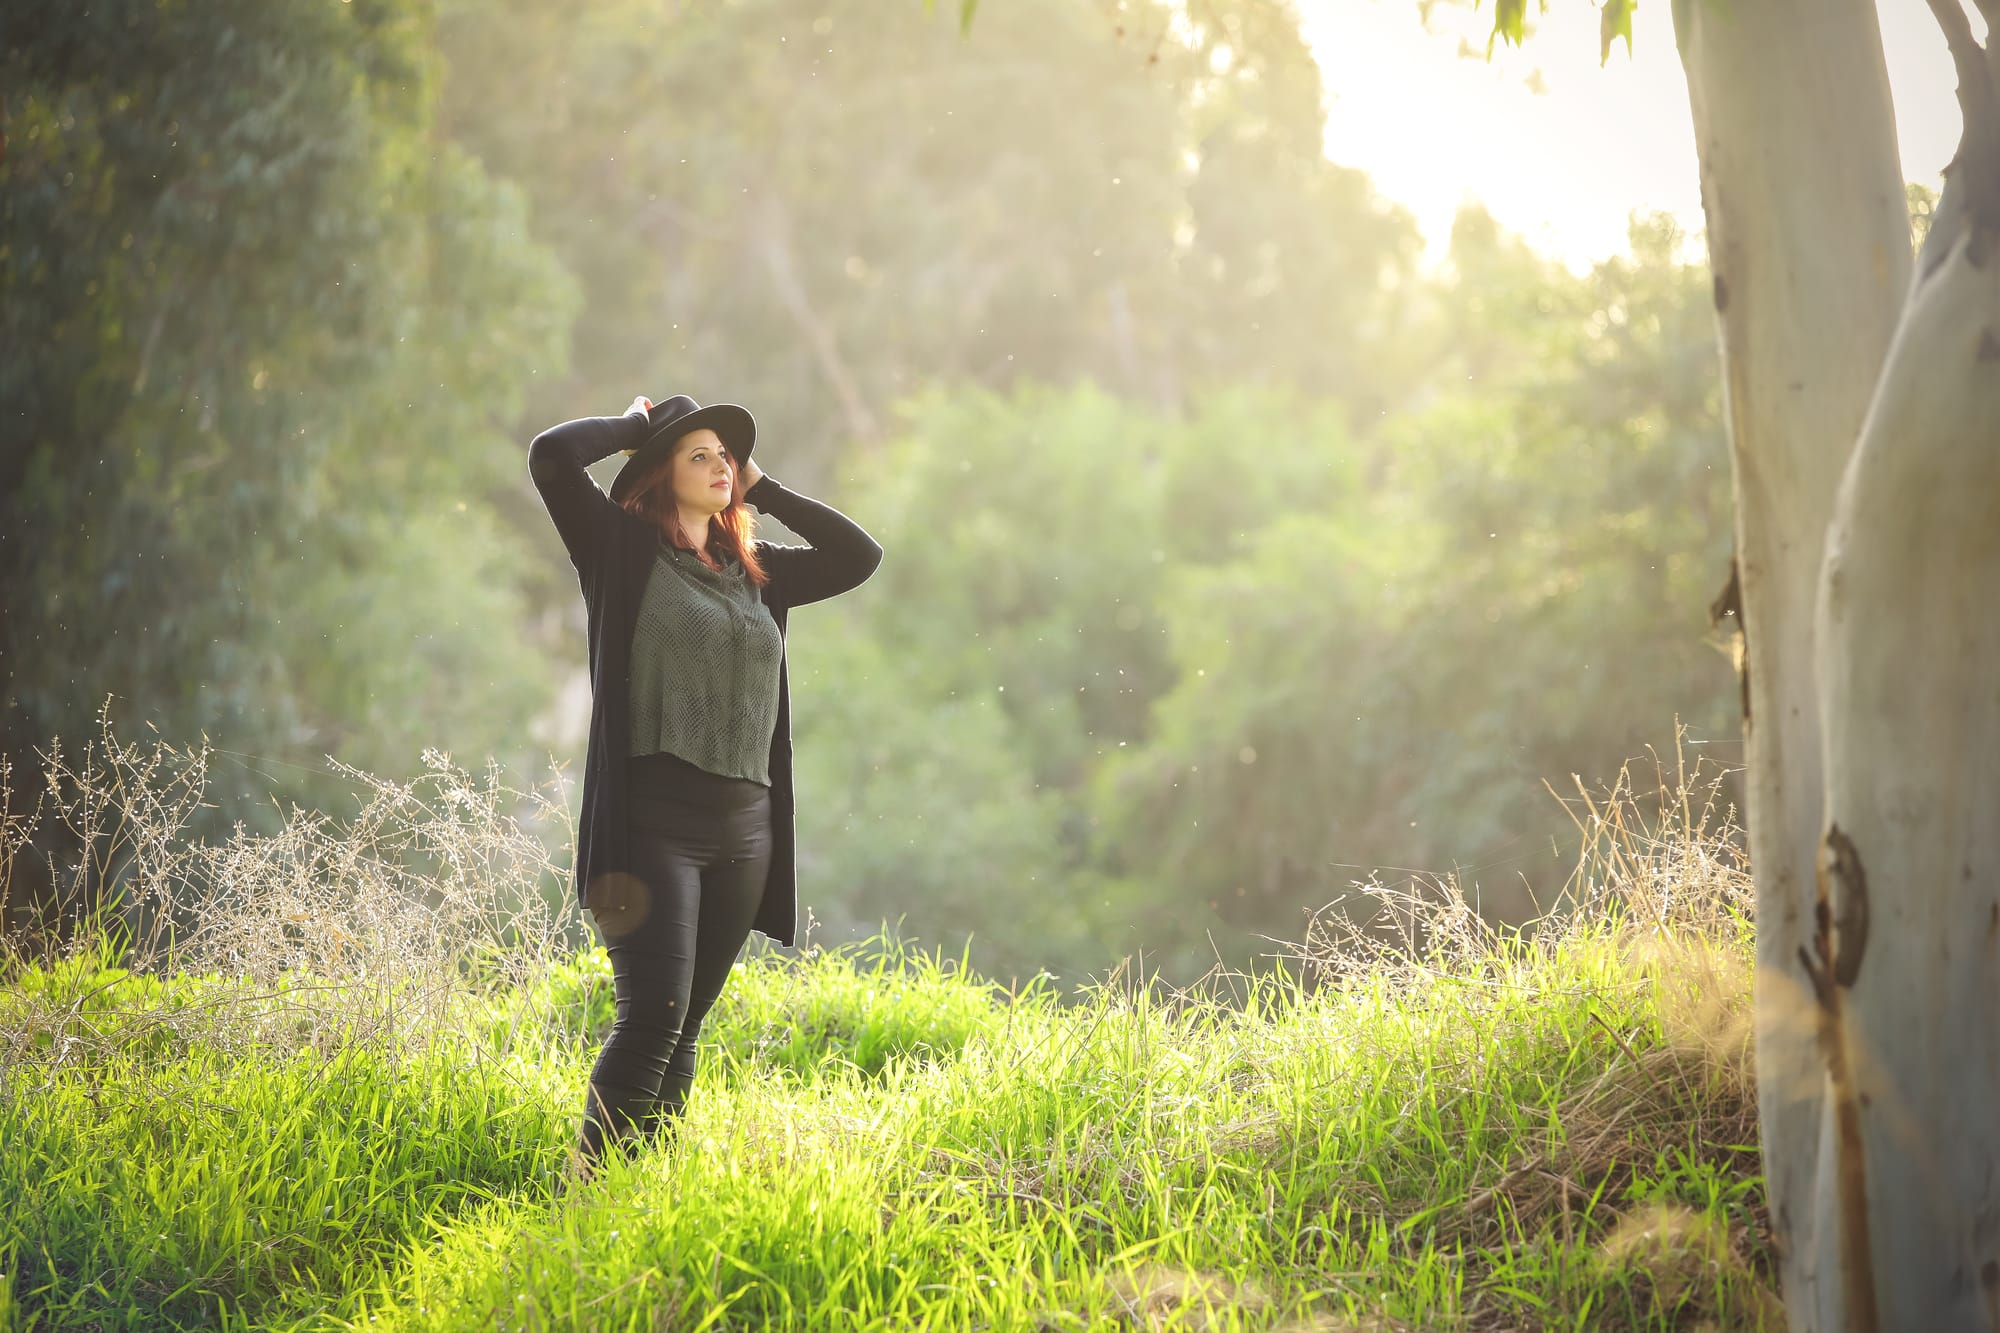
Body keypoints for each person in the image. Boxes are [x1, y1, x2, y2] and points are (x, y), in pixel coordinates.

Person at [528, 392, 881, 1176]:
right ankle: (586, 1195)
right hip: (654, 826)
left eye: (727, 454)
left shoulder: (757, 572)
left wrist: (764, 487)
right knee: (650, 1019)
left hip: (746, 831)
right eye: (700, 454)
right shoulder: (618, 550)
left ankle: (641, 1193)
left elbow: (861, 555)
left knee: (684, 1026)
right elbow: (550, 456)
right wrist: (633, 428)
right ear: (661, 473)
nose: (721, 464)